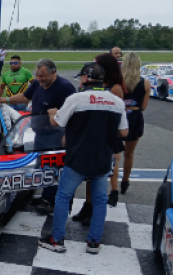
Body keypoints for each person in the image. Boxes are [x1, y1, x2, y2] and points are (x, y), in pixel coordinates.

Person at [38, 63, 128, 254]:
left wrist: (53, 112)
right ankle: (94, 242)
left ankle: (57, 238)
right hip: (103, 158)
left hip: (78, 158)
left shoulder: (76, 98)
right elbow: (124, 131)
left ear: (86, 78)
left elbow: (57, 122)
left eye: (81, 77)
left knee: (62, 196)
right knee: (99, 200)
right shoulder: (117, 101)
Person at [0, 59, 77, 214]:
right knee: (42, 167)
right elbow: (25, 97)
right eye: (37, 75)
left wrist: (67, 134)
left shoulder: (65, 88)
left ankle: (52, 201)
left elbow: (75, 113)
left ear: (53, 72)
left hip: (56, 135)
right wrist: (4, 99)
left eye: (42, 76)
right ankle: (46, 196)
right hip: (41, 133)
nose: (39, 79)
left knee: (53, 168)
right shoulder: (38, 84)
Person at [72, 53, 127, 223]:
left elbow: (114, 113)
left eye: (97, 64)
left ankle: (95, 208)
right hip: (92, 132)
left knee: (101, 175)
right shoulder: (97, 84)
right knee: (90, 175)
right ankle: (88, 206)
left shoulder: (115, 88)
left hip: (107, 135)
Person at [120, 52, 150, 195]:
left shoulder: (118, 82)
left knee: (114, 153)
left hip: (119, 117)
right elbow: (143, 107)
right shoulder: (145, 83)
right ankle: (125, 180)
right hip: (135, 117)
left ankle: (112, 183)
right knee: (129, 153)